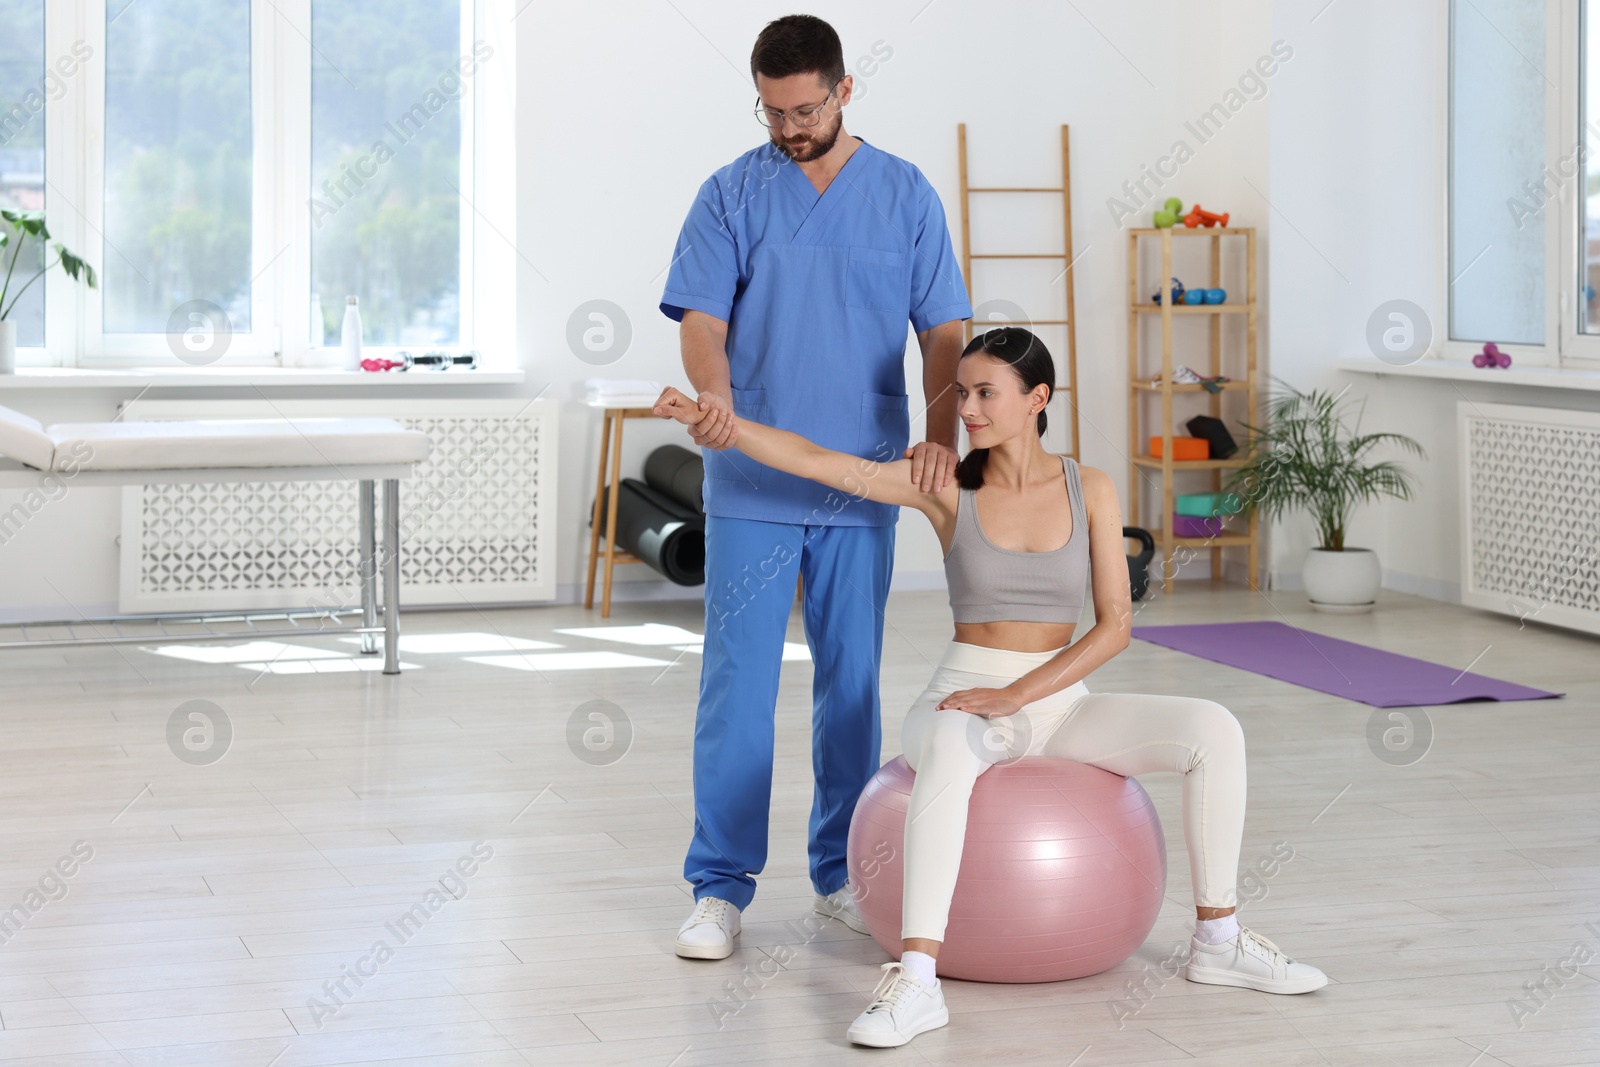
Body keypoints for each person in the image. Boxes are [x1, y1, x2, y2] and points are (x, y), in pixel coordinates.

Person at [654, 327, 1327, 1048]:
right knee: (948, 741)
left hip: (1061, 702)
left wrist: (1023, 694)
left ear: (1037, 399)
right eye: (961, 392)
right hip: (964, 697)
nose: (966, 409)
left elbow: (1115, 626)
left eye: (984, 393)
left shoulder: (1088, 486)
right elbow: (821, 462)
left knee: (1214, 727)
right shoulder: (943, 484)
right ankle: (916, 980)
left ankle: (1218, 940)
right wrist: (717, 422)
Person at [658, 14, 972, 961]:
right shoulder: (730, 194)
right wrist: (714, 398)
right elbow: (702, 319)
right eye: (772, 111)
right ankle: (720, 886)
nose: (789, 126)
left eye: (804, 108)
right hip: (752, 474)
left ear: (844, 90)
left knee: (852, 686)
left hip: (862, 478)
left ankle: (838, 873)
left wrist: (937, 447)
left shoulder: (907, 195)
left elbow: (946, 335)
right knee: (737, 686)